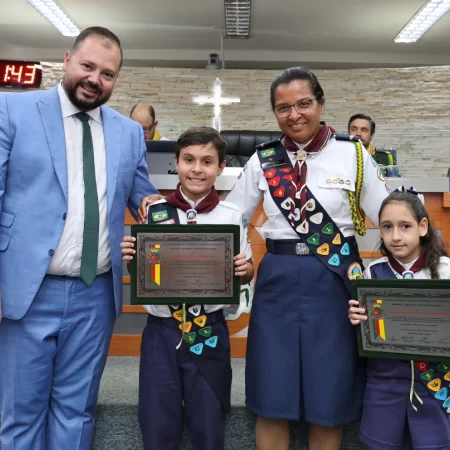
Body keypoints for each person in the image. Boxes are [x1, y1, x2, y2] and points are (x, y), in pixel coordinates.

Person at [0, 26, 158, 449]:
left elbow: (144, 198)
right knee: (20, 416)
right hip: (27, 293)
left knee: (77, 413)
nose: (95, 79)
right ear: (67, 60)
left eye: (108, 74)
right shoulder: (11, 109)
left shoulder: (128, 132)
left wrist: (183, 214)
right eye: (88, 66)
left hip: (95, 296)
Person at [224, 66, 390, 450]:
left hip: (335, 280)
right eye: (283, 108)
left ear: (320, 103)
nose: (294, 115)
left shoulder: (353, 154)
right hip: (277, 279)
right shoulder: (264, 159)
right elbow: (232, 218)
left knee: (327, 397)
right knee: (272, 395)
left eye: (303, 104)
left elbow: (389, 215)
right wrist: (242, 260)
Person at [121, 126, 254, 450]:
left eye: (207, 162)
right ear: (176, 162)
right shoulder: (155, 212)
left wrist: (244, 269)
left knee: (208, 425)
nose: (197, 169)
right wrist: (132, 258)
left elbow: (247, 270)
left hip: (208, 330)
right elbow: (147, 275)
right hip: (162, 331)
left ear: (221, 167)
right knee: (157, 424)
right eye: (189, 160)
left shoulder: (232, 215)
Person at [349, 188, 450, 450]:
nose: (395, 236)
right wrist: (357, 318)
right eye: (387, 227)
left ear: (422, 227)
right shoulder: (372, 275)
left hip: (436, 385)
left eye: (405, 226)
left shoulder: (446, 271)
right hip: (385, 384)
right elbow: (368, 333)